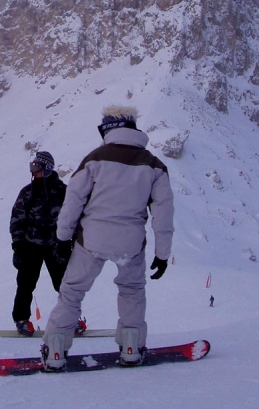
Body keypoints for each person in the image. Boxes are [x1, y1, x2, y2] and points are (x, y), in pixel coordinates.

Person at [40, 105, 175, 371]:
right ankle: (131, 348)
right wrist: (162, 254)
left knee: (72, 293)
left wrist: (63, 237)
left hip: (91, 240)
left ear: (109, 129)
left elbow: (73, 201)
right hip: (131, 243)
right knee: (132, 291)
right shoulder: (154, 165)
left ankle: (55, 351)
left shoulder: (94, 159)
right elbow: (163, 214)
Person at [10, 151, 86, 337]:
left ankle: (72, 320)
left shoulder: (63, 192)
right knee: (25, 284)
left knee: (64, 285)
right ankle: (21, 320)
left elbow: (74, 218)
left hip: (57, 246)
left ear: (47, 169)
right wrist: (18, 244)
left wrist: (74, 242)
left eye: (37, 168)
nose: (33, 172)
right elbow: (17, 218)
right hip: (30, 246)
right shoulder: (28, 192)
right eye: (32, 168)